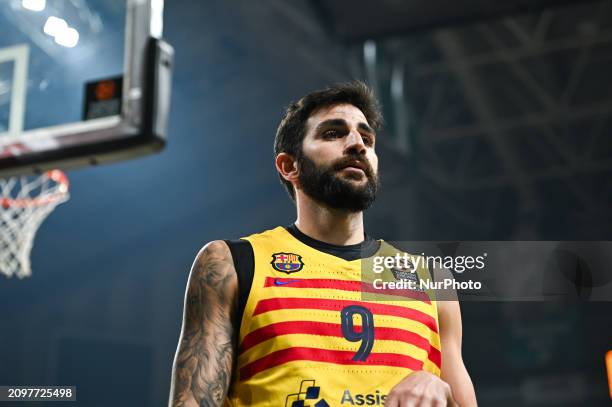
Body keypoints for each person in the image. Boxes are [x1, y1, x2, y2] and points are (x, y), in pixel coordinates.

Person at [169, 82, 477, 406]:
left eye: (367, 138)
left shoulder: (431, 280)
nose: (357, 144)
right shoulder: (233, 263)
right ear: (290, 166)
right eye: (333, 133)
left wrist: (439, 389)